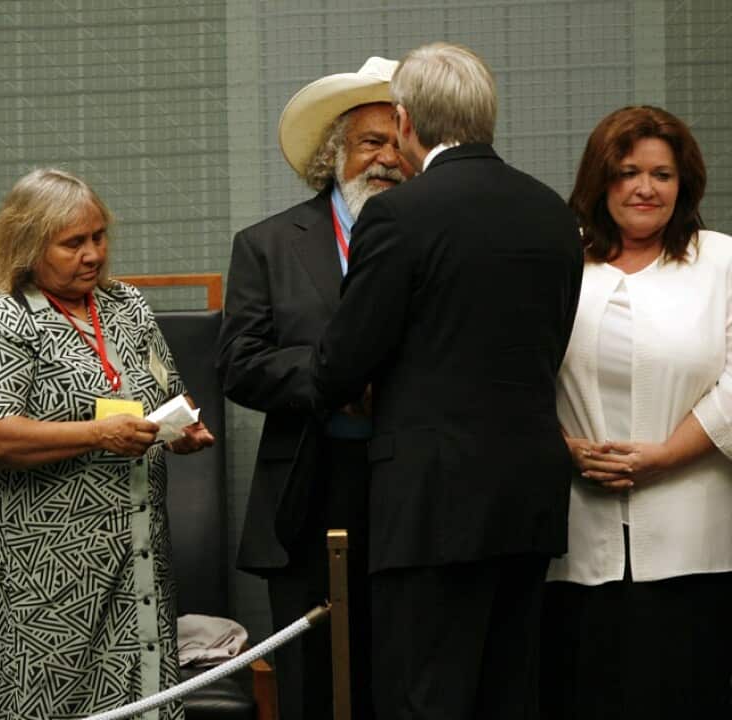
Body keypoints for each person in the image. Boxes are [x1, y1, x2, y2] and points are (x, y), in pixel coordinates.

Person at [300, 43, 583, 719]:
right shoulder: (554, 214)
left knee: (424, 695)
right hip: (529, 495)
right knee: (508, 691)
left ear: (404, 122)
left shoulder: (398, 216)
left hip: (430, 500)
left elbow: (341, 364)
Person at [0, 168, 215, 720]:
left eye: (99, 236)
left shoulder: (127, 308)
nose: (93, 254)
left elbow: (169, 392)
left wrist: (181, 431)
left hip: (139, 558)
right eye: (73, 243)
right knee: (56, 705)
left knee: (146, 701)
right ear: (27, 244)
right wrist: (99, 434)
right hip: (46, 575)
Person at [217, 56, 412, 720]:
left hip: (410, 488)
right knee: (310, 686)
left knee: (399, 675)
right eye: (370, 142)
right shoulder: (268, 244)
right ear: (335, 155)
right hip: (307, 490)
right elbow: (239, 364)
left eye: (400, 142)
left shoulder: (437, 242)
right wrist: (332, 378)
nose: (386, 158)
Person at [542, 106, 732, 718]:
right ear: (600, 181)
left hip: (696, 545)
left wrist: (666, 456)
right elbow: (514, 375)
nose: (645, 188)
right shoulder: (558, 263)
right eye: (627, 172)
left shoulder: (722, 262)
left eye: (662, 174)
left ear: (686, 185)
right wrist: (569, 449)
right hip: (572, 541)